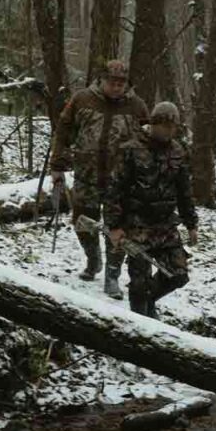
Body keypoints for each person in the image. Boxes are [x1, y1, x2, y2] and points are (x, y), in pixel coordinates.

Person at [50, 60, 150, 297]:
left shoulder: (137, 106)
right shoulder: (82, 99)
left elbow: (148, 142)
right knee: (82, 222)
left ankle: (112, 276)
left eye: (121, 83)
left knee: (117, 229)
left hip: (122, 181)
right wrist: (57, 165)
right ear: (101, 80)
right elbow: (63, 131)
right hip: (87, 175)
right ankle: (93, 259)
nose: (116, 87)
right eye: (112, 82)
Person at [104, 102, 198, 318]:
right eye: (164, 125)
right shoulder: (131, 149)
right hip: (137, 224)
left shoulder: (178, 151)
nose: (168, 131)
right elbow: (114, 190)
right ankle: (140, 324)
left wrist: (191, 224)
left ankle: (149, 302)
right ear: (153, 124)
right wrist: (115, 226)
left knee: (178, 275)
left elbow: (184, 191)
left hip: (166, 225)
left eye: (172, 126)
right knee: (139, 282)